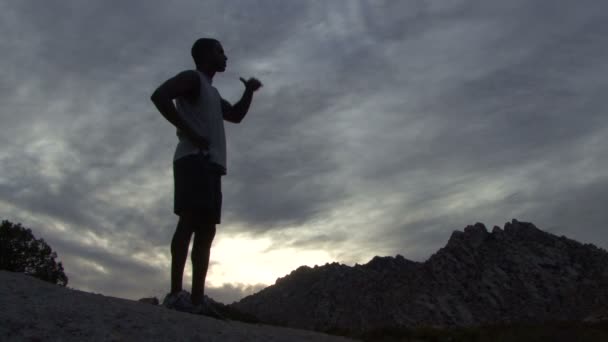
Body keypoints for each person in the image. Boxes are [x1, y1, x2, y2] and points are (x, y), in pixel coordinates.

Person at [150, 38, 262, 316]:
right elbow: (160, 96)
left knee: (207, 230)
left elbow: (235, 115)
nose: (225, 56)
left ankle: (197, 300)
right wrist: (188, 130)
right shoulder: (192, 79)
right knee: (188, 221)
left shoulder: (211, 93)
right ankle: (176, 294)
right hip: (192, 159)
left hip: (212, 165)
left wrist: (249, 92)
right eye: (219, 51)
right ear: (204, 55)